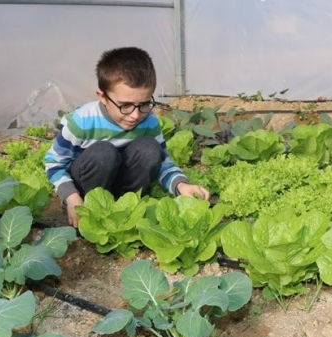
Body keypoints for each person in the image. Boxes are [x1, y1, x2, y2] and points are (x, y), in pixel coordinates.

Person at [44, 47, 210, 228]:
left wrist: (181, 186)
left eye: (145, 104)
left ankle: (127, 208)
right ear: (103, 97)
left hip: (125, 187)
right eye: (125, 105)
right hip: (88, 186)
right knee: (104, 153)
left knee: (149, 148)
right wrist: (72, 198)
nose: (135, 115)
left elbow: (163, 162)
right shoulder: (82, 122)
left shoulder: (149, 122)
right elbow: (54, 163)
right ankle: (90, 210)